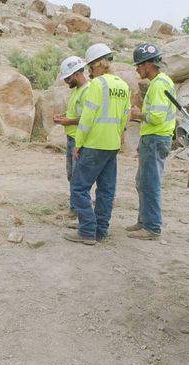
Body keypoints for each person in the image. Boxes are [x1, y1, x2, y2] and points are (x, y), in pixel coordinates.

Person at [65, 43, 131, 245]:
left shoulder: (97, 85)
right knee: (106, 190)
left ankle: (86, 231)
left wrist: (79, 144)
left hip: (94, 144)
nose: (90, 73)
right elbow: (125, 115)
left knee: (78, 187)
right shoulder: (123, 85)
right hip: (112, 145)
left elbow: (87, 118)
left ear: (99, 64)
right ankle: (101, 231)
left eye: (90, 68)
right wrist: (120, 135)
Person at [127, 43, 176, 240]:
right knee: (142, 181)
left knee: (150, 182)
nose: (137, 69)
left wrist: (138, 114)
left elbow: (156, 117)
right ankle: (144, 221)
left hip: (156, 138)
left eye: (139, 65)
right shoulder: (162, 82)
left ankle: (152, 227)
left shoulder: (158, 85)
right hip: (154, 138)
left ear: (148, 64)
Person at [53, 55, 90, 220]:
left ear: (76, 74)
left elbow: (87, 117)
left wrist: (68, 121)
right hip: (71, 138)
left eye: (67, 78)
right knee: (72, 176)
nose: (66, 82)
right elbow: (77, 113)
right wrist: (64, 116)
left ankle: (80, 212)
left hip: (79, 140)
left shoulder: (88, 91)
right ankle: (74, 208)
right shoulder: (77, 91)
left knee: (78, 178)